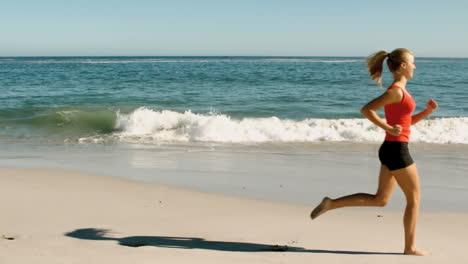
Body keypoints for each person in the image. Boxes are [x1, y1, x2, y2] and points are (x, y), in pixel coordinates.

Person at [310, 48, 438, 256]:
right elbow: (366, 109)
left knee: (380, 200)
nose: (415, 66)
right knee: (414, 199)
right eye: (413, 63)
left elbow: (405, 125)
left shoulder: (400, 92)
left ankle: (331, 203)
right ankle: (410, 247)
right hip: (397, 150)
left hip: (391, 148)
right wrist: (387, 128)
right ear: (403, 66)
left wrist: (427, 112)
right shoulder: (396, 91)